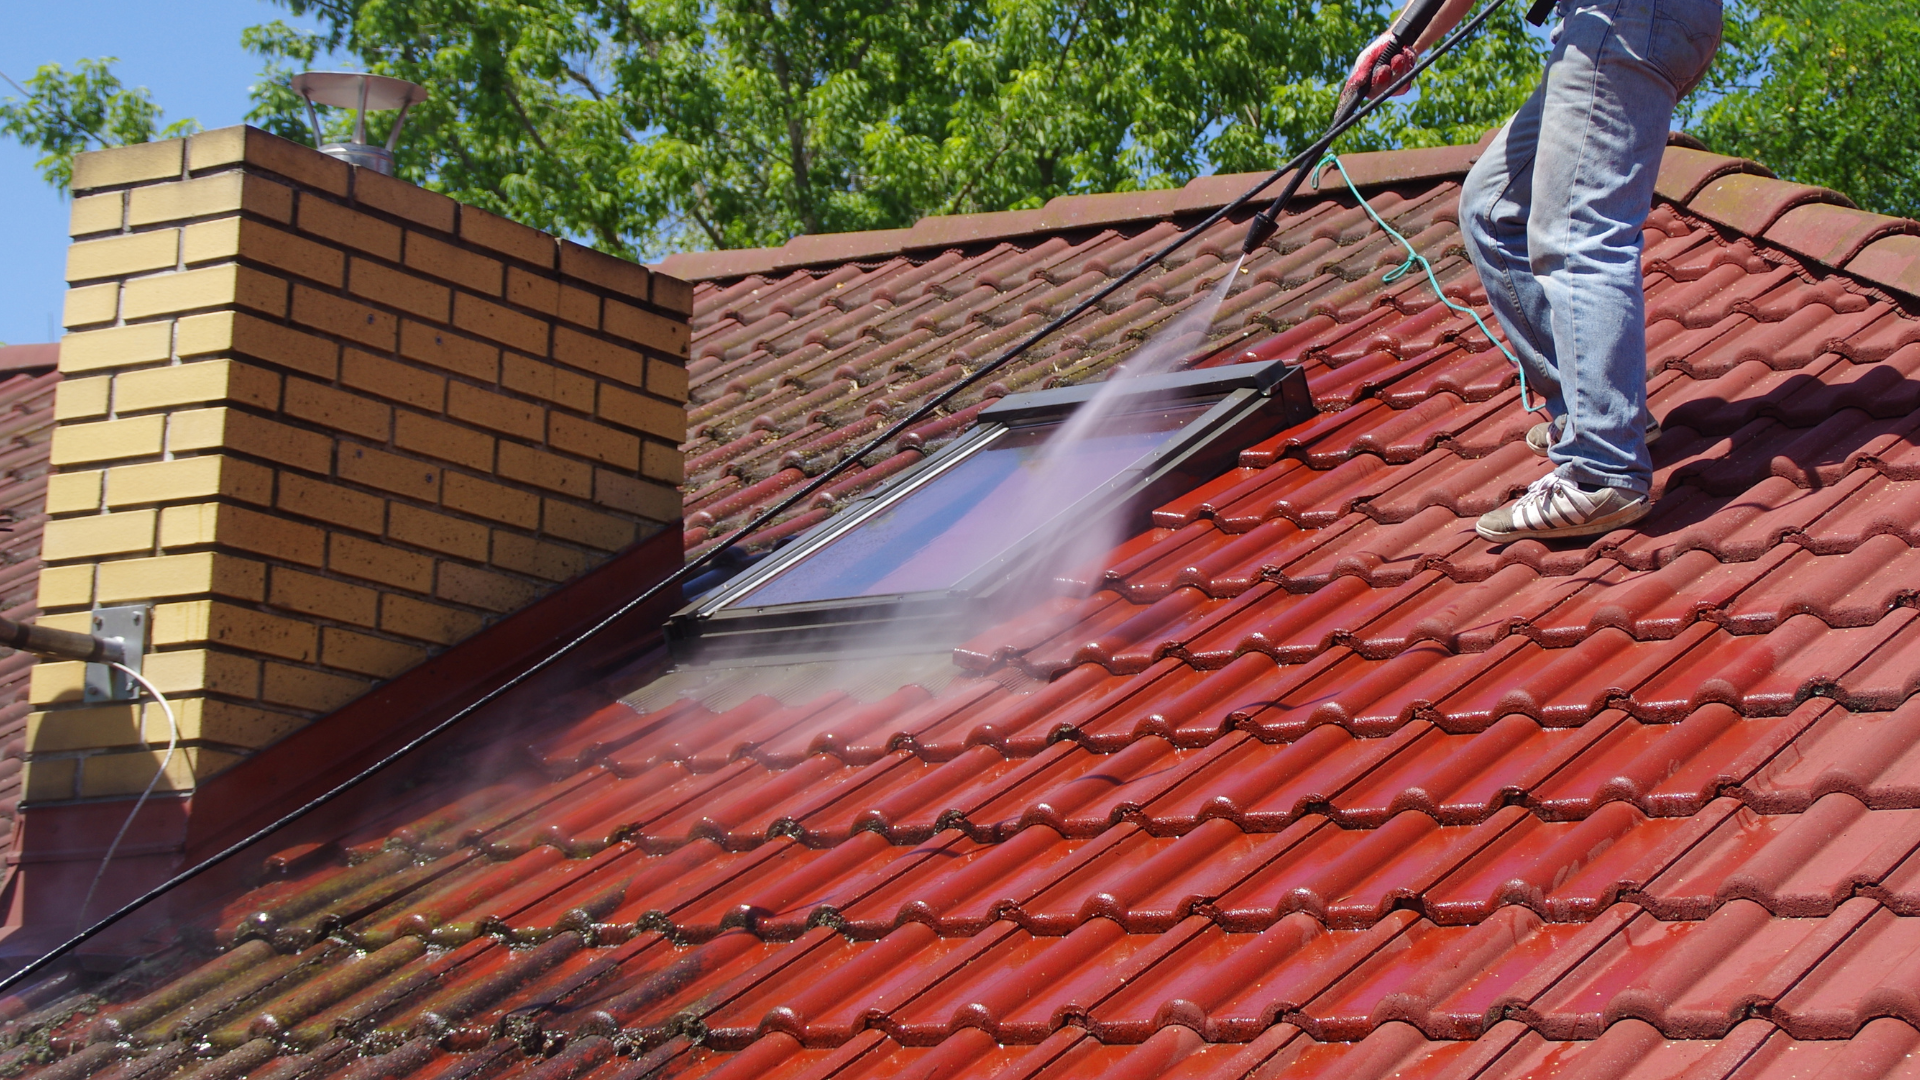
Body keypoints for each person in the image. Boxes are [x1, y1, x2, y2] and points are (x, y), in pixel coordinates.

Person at [1347, 0, 1722, 540]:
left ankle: (1601, 468)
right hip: (1630, 22)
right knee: (1493, 208)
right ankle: (1591, 408)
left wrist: (1400, 36)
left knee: (1577, 232)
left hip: (1623, 18)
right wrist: (1405, 41)